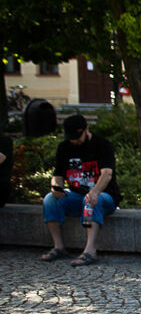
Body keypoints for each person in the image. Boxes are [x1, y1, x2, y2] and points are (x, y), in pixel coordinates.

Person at [39, 114, 120, 267]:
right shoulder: (64, 147)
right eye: (71, 137)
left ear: (86, 129)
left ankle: (90, 251)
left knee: (90, 200)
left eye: (78, 136)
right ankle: (58, 247)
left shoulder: (102, 144)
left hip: (105, 196)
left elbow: (107, 173)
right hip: (76, 195)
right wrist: (56, 187)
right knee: (50, 199)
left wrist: (95, 191)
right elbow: (58, 174)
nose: (74, 140)